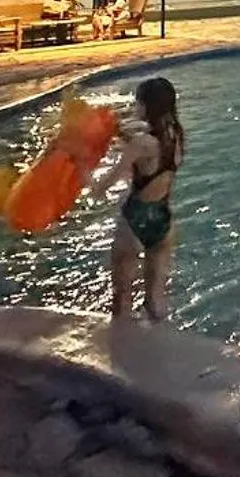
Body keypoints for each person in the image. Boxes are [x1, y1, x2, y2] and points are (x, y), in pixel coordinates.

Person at [93, 77, 185, 321]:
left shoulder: (141, 143)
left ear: (146, 106)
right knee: (155, 299)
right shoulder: (177, 136)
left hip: (135, 220)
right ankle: (159, 350)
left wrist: (79, 165)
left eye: (138, 102)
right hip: (163, 219)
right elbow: (149, 150)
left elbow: (102, 187)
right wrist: (118, 133)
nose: (136, 107)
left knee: (121, 299)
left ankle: (122, 355)